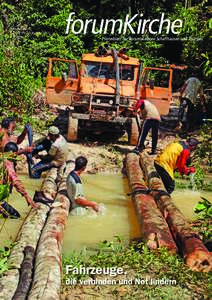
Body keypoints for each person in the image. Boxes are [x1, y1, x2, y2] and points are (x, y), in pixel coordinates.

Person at [0, 142, 38, 218]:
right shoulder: (8, 163)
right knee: (16, 216)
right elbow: (15, 180)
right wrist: (26, 196)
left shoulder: (1, 157)